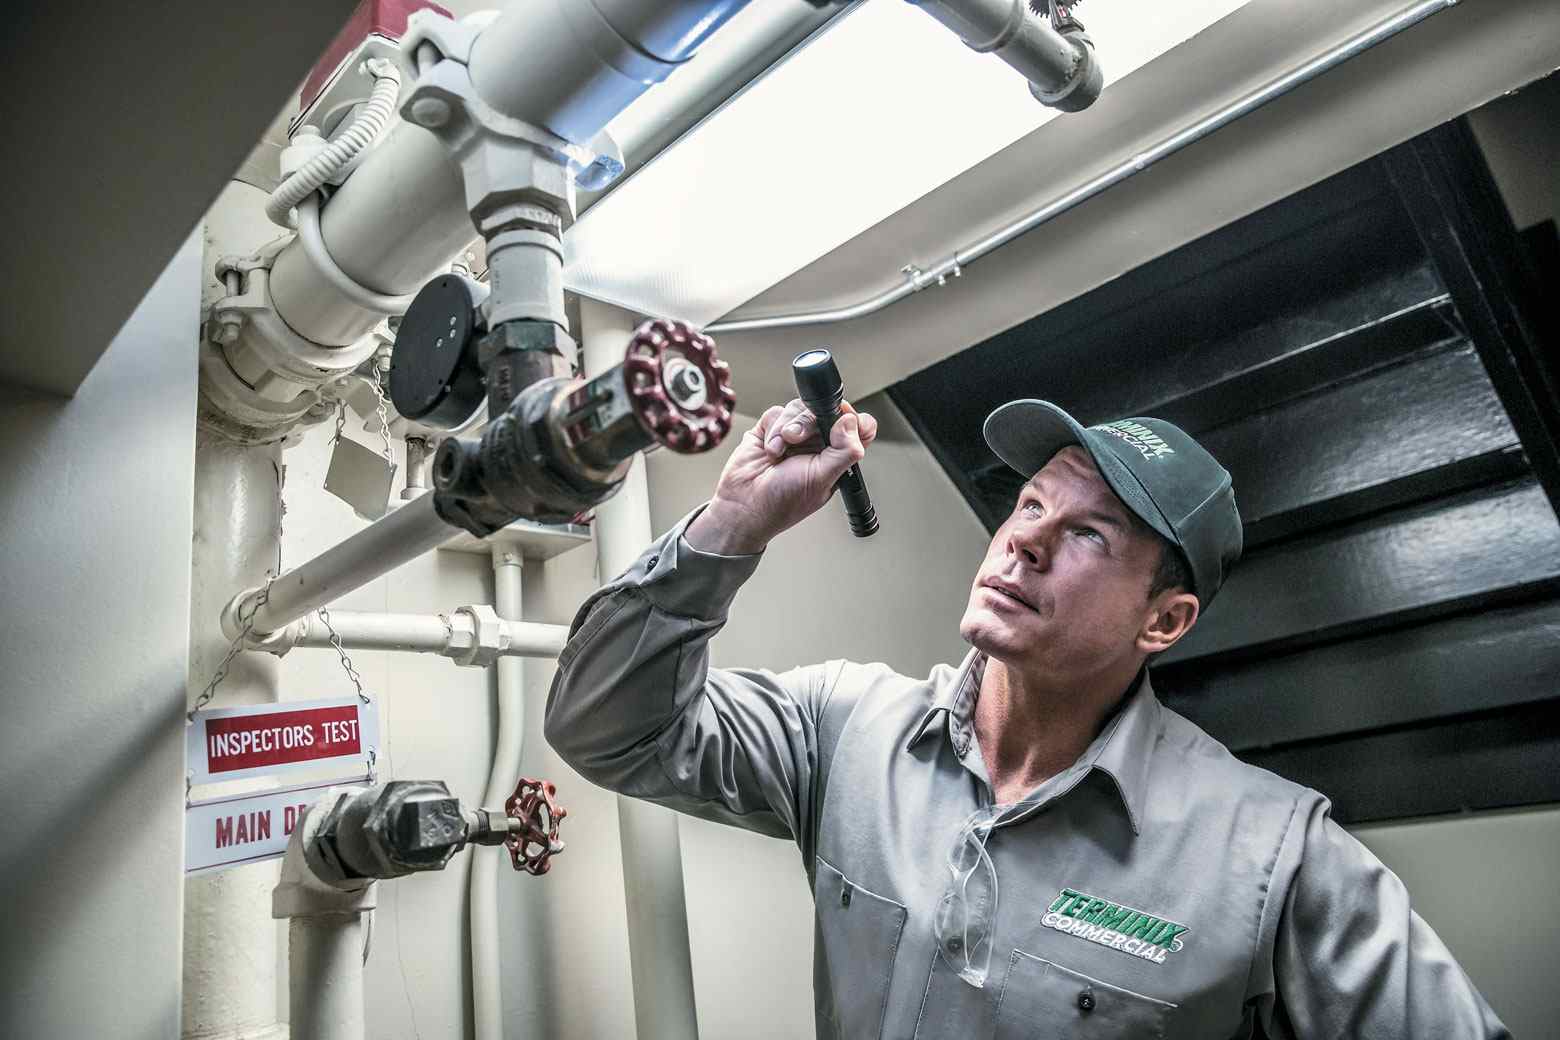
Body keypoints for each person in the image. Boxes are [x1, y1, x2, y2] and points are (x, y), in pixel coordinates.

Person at [545, 396, 1508, 1039]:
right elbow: (605, 727)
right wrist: (732, 523)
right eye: (1032, 500)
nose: (1025, 540)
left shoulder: (1274, 858)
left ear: (1164, 621)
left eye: (1088, 532)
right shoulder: (848, 730)